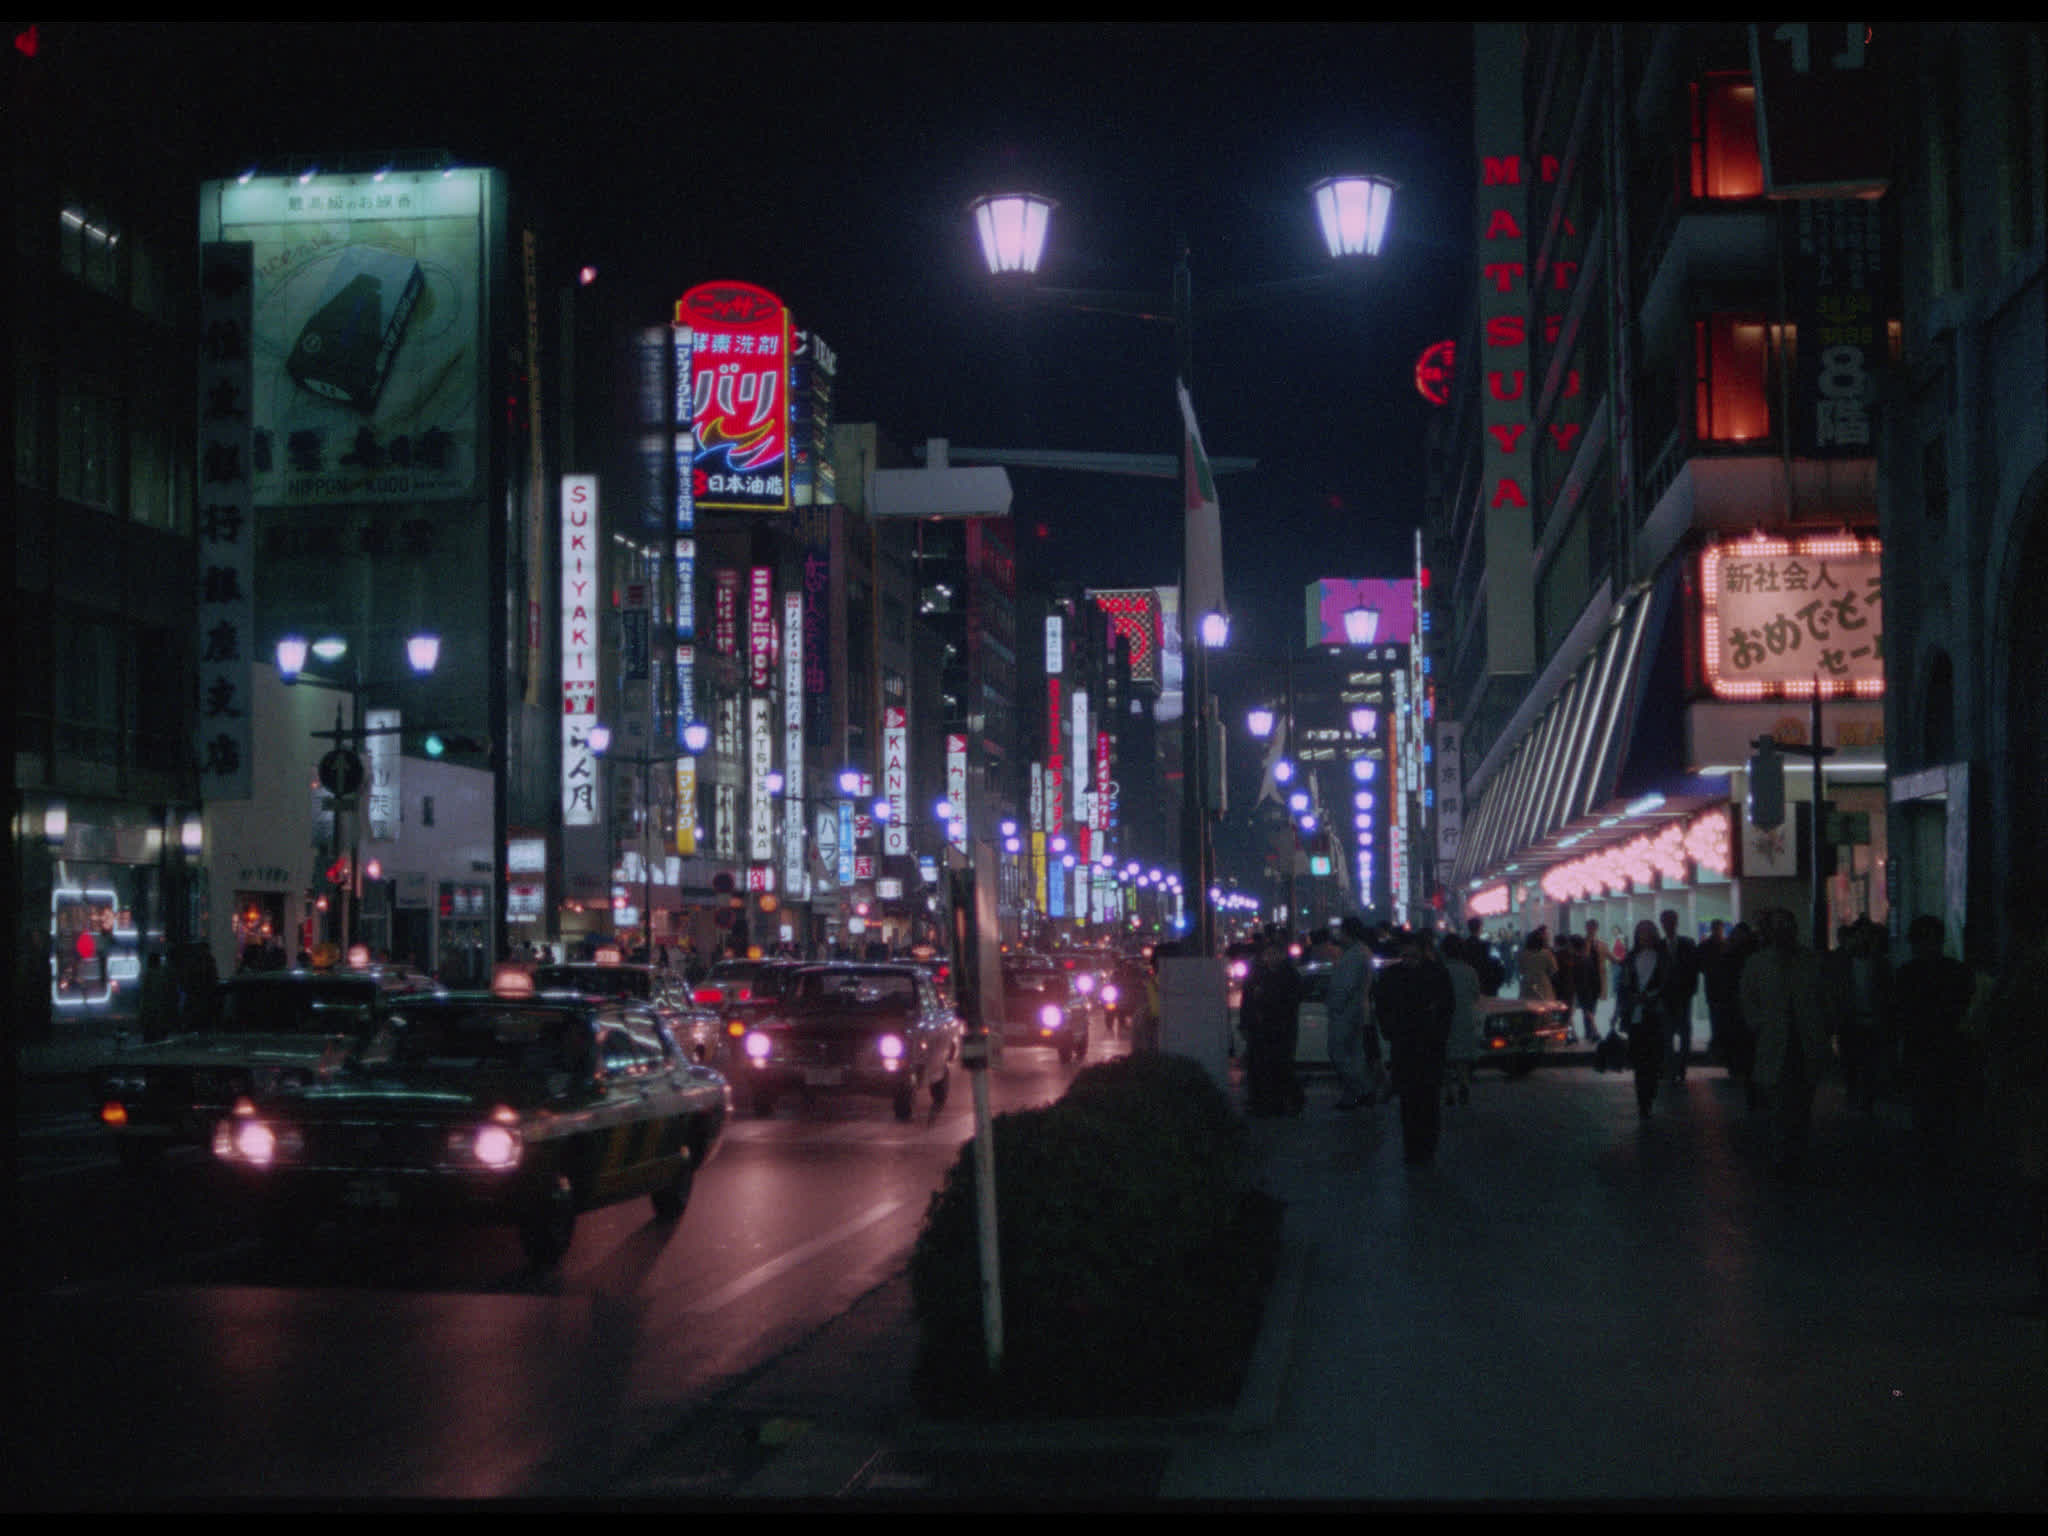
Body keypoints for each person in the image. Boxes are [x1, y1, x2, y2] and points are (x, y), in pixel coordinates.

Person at [1741, 907, 1831, 1180]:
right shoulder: (1758, 964)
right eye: (1779, 928)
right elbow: (1748, 999)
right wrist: (1758, 1023)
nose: (1784, 933)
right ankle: (1784, 1153)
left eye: (1788, 927)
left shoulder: (1811, 961)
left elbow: (1825, 998)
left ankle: (1794, 1150)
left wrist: (1826, 1026)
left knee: (1802, 1102)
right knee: (1780, 1102)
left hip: (1805, 1040)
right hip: (1776, 1040)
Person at [1891, 914, 1978, 1178]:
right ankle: (1942, 1160)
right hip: (1947, 1049)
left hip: (1923, 1049)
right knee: (1944, 1108)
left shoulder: (1906, 975)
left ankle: (1931, 1160)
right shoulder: (1957, 972)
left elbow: (1899, 1016)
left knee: (1927, 1109)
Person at [1372, 930, 1455, 1164]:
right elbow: (1382, 1007)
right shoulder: (1403, 975)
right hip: (1412, 1044)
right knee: (1414, 1100)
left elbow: (1447, 1009)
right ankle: (1417, 1149)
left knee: (1423, 1100)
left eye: (1412, 955)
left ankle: (1422, 1149)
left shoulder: (1431, 975)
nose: (1409, 959)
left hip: (1422, 1045)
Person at [1238, 928, 1305, 1116]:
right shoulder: (1257, 975)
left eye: (1275, 954)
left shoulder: (1289, 975)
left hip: (1280, 1029)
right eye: (1268, 954)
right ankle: (1261, 1102)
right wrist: (1245, 1023)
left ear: (1282, 955)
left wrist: (1266, 1000)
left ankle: (1286, 1101)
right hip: (1259, 1029)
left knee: (1280, 1066)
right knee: (1258, 1067)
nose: (1271, 957)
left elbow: (1290, 1002)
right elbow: (1247, 1001)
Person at [1616, 919, 1672, 1118]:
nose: (1645, 936)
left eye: (1648, 932)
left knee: (1653, 1057)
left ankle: (1650, 1091)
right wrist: (1627, 1003)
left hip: (1654, 1013)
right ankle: (1643, 1100)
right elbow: (1623, 985)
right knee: (1640, 1059)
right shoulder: (1631, 958)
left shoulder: (1663, 958)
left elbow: (1668, 984)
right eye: (1642, 933)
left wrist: (1650, 996)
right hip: (1636, 1015)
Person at [1324, 915, 1377, 1112]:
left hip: (1347, 1011)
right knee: (1354, 1055)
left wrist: (1334, 1005)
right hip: (1356, 1009)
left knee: (1339, 1053)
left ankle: (1363, 1089)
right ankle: (1353, 1095)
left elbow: (1345, 986)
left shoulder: (1355, 955)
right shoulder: (1362, 952)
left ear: (1347, 933)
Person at [1659, 909, 1702, 1083]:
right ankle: (1670, 1068)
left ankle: (1681, 1067)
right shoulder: (1658, 946)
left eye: (1672, 921)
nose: (1669, 925)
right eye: (1666, 922)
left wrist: (1691, 990)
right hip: (1665, 997)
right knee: (1667, 1035)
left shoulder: (1688, 943)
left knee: (1684, 1034)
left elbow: (1694, 968)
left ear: (1676, 923)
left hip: (1683, 996)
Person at [1442, 933, 1483, 1107]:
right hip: (1465, 1015)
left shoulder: (1441, 970)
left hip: (1446, 1016)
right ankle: (1464, 1082)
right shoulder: (1470, 971)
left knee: (1445, 1054)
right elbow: (1476, 994)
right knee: (1462, 1056)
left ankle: (1449, 1090)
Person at [1519, 927, 1558, 1004]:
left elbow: (1521, 970)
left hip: (1527, 984)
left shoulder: (1522, 954)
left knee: (1528, 1008)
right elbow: (1554, 969)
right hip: (1543, 984)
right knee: (1545, 1008)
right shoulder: (1547, 953)